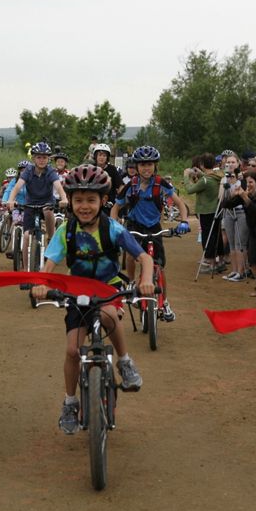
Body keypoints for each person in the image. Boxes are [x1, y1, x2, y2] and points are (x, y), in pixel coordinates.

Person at [29, 165, 154, 434]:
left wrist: (145, 280)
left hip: (109, 288)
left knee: (109, 316)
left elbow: (144, 257)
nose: (84, 206)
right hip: (78, 293)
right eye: (78, 200)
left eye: (91, 200)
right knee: (73, 350)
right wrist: (41, 284)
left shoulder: (114, 229)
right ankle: (70, 402)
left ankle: (124, 361)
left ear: (103, 201)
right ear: (70, 202)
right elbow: (49, 264)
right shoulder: (66, 232)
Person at [108, 145, 191, 277]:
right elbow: (115, 208)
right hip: (134, 224)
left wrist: (184, 221)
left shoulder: (160, 183)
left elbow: (180, 203)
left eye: (149, 164)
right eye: (142, 165)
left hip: (154, 226)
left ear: (155, 165)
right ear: (136, 167)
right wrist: (113, 226)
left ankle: (163, 297)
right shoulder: (131, 185)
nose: (146, 168)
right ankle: (131, 282)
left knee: (159, 264)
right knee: (130, 254)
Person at [5, 143, 69, 265]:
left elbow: (58, 186)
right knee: (27, 236)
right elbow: (17, 186)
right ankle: (25, 267)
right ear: (33, 158)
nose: (41, 160)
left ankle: (51, 239)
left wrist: (64, 198)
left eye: (45, 157)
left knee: (48, 211)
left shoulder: (50, 171)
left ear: (48, 159)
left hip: (47, 202)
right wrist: (11, 200)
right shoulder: (28, 170)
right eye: (38, 157)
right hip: (30, 204)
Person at [183, 153, 225, 274]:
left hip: (206, 210)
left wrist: (186, 176)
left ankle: (210, 262)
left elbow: (190, 190)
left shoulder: (205, 180)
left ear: (201, 164)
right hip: (215, 209)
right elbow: (208, 178)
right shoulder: (216, 176)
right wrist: (200, 174)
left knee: (208, 236)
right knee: (216, 236)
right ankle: (220, 260)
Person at [217, 152, 250, 281]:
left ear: (238, 164)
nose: (230, 164)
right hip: (228, 213)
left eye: (233, 162)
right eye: (228, 162)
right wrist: (226, 184)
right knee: (231, 243)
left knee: (239, 242)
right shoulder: (224, 179)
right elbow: (221, 198)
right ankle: (234, 270)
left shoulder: (242, 179)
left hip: (241, 212)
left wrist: (235, 181)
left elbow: (239, 197)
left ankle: (241, 272)